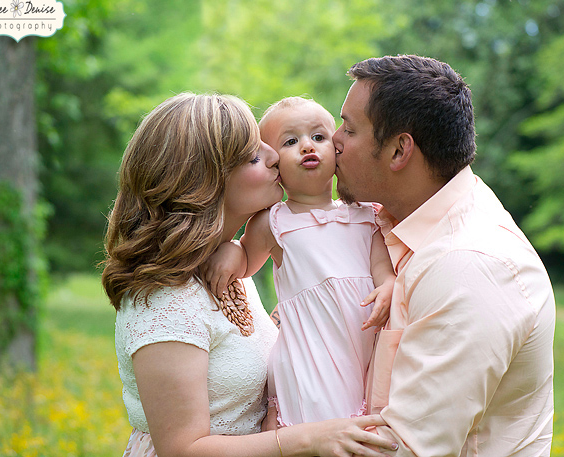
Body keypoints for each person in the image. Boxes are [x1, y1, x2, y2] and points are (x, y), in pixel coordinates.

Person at [101, 92, 398, 457]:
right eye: (254, 155)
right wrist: (309, 438)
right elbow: (181, 450)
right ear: (205, 180)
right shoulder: (166, 301)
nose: (274, 156)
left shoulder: (229, 269)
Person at [333, 55, 556, 456]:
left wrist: (284, 444)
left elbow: (405, 449)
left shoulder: (470, 266)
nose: (333, 140)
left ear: (399, 151)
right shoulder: (393, 222)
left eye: (349, 129)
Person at [201, 96, 396, 427]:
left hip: (362, 345)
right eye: (290, 142)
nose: (307, 146)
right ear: (274, 165)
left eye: (318, 137)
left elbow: (382, 268)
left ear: (337, 150)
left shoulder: (365, 215)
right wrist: (232, 251)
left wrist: (388, 285)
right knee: (320, 429)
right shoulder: (275, 222)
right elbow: (247, 259)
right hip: (311, 356)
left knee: (364, 424)